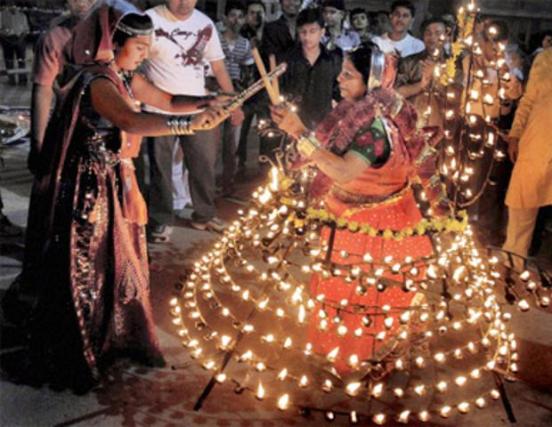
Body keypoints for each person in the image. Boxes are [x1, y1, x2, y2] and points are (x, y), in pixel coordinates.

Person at [7, 0, 226, 391]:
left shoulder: (126, 77)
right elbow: (131, 120)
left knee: (121, 257)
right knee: (91, 264)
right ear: (114, 41)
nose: (145, 54)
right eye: (139, 47)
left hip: (113, 179)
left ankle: (118, 332)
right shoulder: (98, 81)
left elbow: (168, 101)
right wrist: (189, 125)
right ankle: (89, 338)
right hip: (89, 190)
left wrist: (208, 101)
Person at [271, 44, 437, 372]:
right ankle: (346, 356)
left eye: (349, 74)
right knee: (343, 295)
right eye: (341, 72)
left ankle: (366, 361)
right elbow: (328, 154)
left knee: (367, 301)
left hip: (378, 230)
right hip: (349, 221)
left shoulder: (376, 126)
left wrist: (299, 132)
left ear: (371, 80)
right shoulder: (351, 116)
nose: (340, 79)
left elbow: (343, 170)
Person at [142, 0, 242, 239]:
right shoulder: (149, 20)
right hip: (158, 108)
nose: (185, 3)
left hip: (199, 107)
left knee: (204, 163)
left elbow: (218, 67)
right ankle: (161, 218)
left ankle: (204, 214)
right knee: (160, 167)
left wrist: (233, 103)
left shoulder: (204, 23)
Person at [28, 0, 96, 175]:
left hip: (112, 130)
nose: (83, 3)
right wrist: (37, 143)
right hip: (69, 131)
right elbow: (42, 90)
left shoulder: (119, 33)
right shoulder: (54, 38)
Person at [503, 48, 552, 261]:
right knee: (522, 202)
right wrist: (515, 134)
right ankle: (513, 261)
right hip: (537, 140)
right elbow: (528, 100)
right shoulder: (545, 58)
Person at [281, 7, 341, 130]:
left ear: (322, 32)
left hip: (324, 124)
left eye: (312, 31)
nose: (307, 37)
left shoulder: (333, 59)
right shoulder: (288, 58)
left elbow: (338, 89)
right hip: (293, 123)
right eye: (303, 32)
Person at [218, 1, 254, 196]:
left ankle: (227, 183)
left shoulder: (245, 44)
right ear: (224, 18)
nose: (236, 20)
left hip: (235, 99)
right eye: (233, 16)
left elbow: (248, 73)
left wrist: (239, 97)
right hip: (214, 97)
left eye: (240, 16)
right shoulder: (215, 40)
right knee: (211, 143)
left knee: (232, 144)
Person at [395, 17, 448, 128]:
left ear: (447, 36)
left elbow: (458, 97)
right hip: (412, 121)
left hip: (444, 123)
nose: (432, 37)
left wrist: (437, 79)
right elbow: (397, 93)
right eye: (428, 33)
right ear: (423, 37)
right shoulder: (409, 62)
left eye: (438, 33)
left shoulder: (456, 64)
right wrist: (422, 84)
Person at [236, 0, 267, 177]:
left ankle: (263, 166)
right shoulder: (242, 35)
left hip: (264, 90)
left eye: (259, 12)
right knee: (241, 130)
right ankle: (239, 165)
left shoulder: (268, 33)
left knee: (264, 130)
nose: (257, 16)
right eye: (252, 13)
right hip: (245, 89)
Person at [0, 2, 30, 85]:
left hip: (20, 39)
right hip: (7, 40)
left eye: (14, 4)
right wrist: (6, 38)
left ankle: (23, 80)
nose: (12, 6)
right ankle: (11, 79)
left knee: (21, 61)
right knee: (9, 61)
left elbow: (26, 29)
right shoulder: (2, 15)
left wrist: (21, 39)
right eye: (10, 4)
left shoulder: (22, 15)